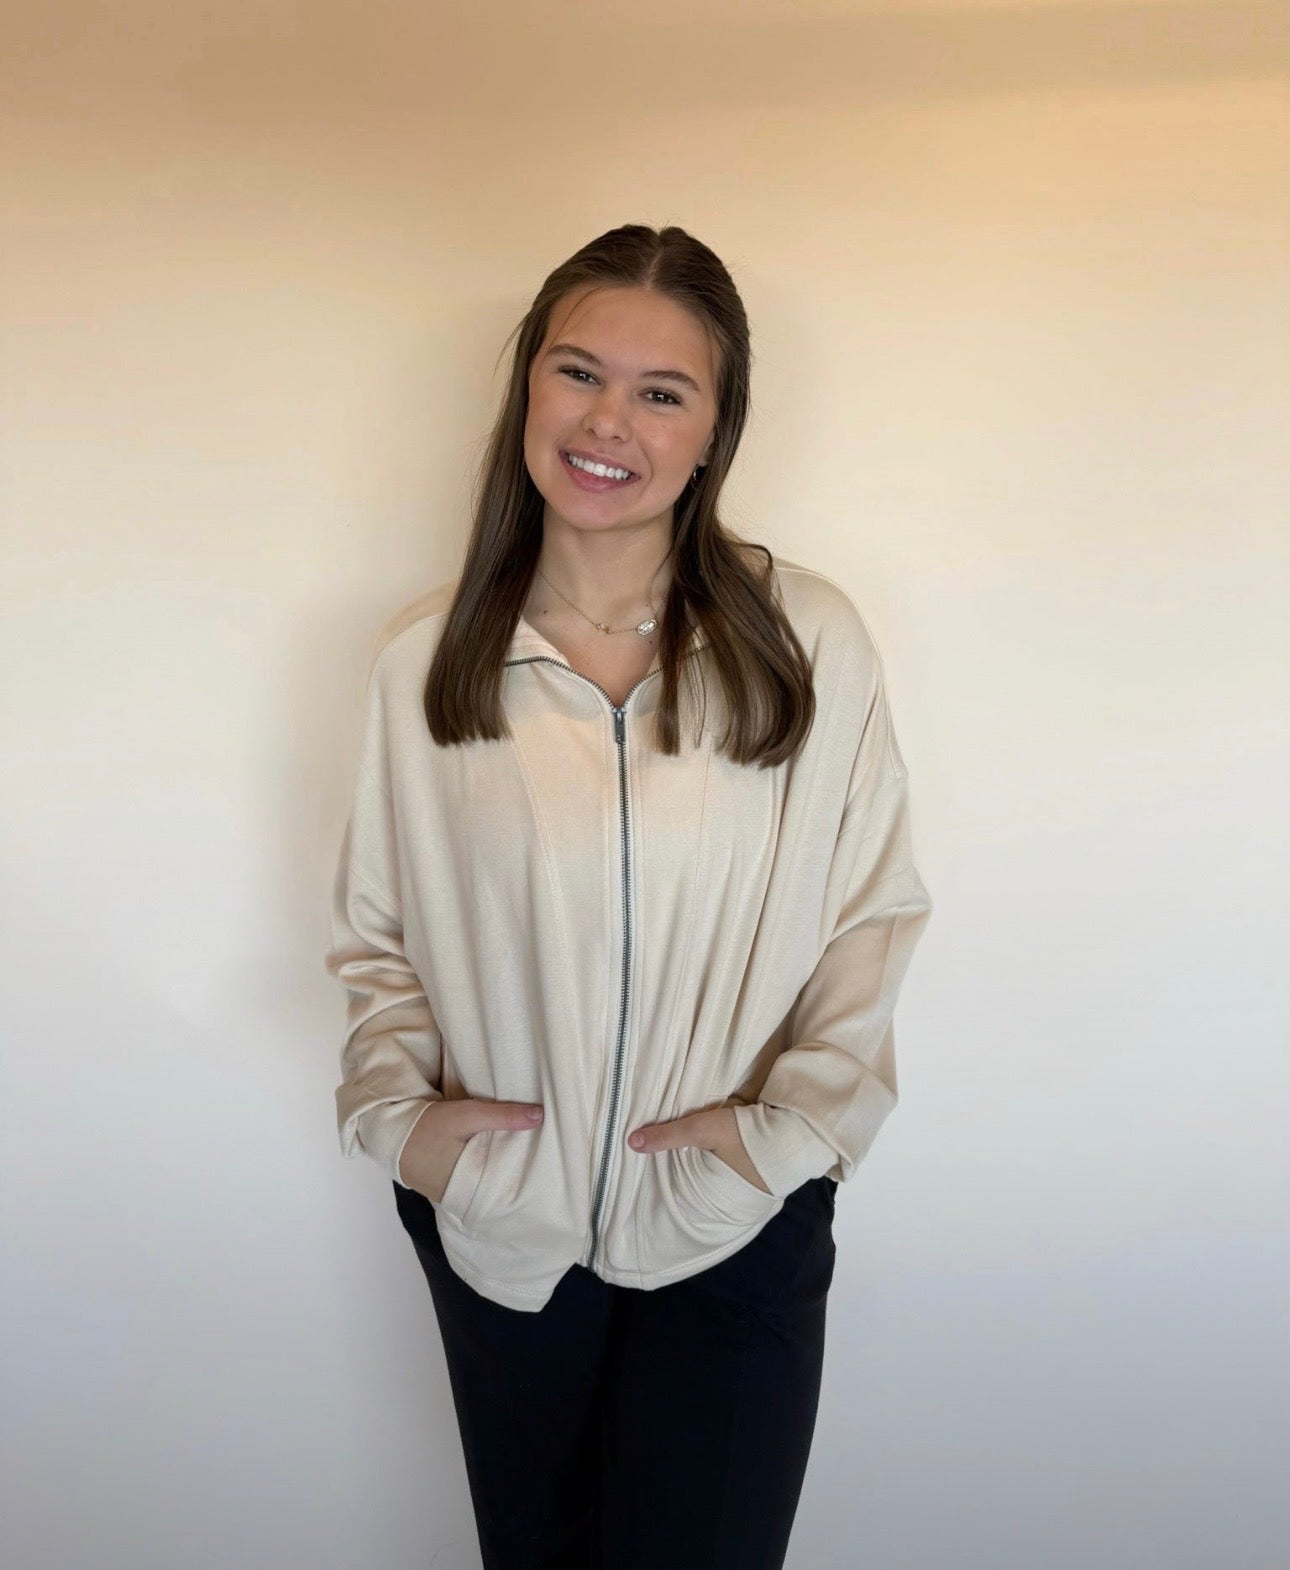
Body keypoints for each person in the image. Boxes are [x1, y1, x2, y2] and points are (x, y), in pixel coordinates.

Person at [324, 223, 933, 1570]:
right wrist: (416, 1135)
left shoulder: (802, 639)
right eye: (577, 372)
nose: (610, 421)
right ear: (526, 390)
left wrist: (782, 1141)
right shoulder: (426, 661)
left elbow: (870, 911)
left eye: (663, 391)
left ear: (714, 430)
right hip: (504, 1231)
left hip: (731, 1224)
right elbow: (375, 939)